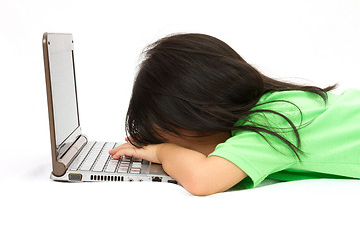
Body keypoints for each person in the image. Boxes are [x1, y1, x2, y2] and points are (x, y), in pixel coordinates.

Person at [109, 33, 360, 196]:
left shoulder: (272, 123)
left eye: (174, 138)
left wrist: (162, 153)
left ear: (206, 113)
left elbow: (202, 180)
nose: (174, 147)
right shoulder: (275, 105)